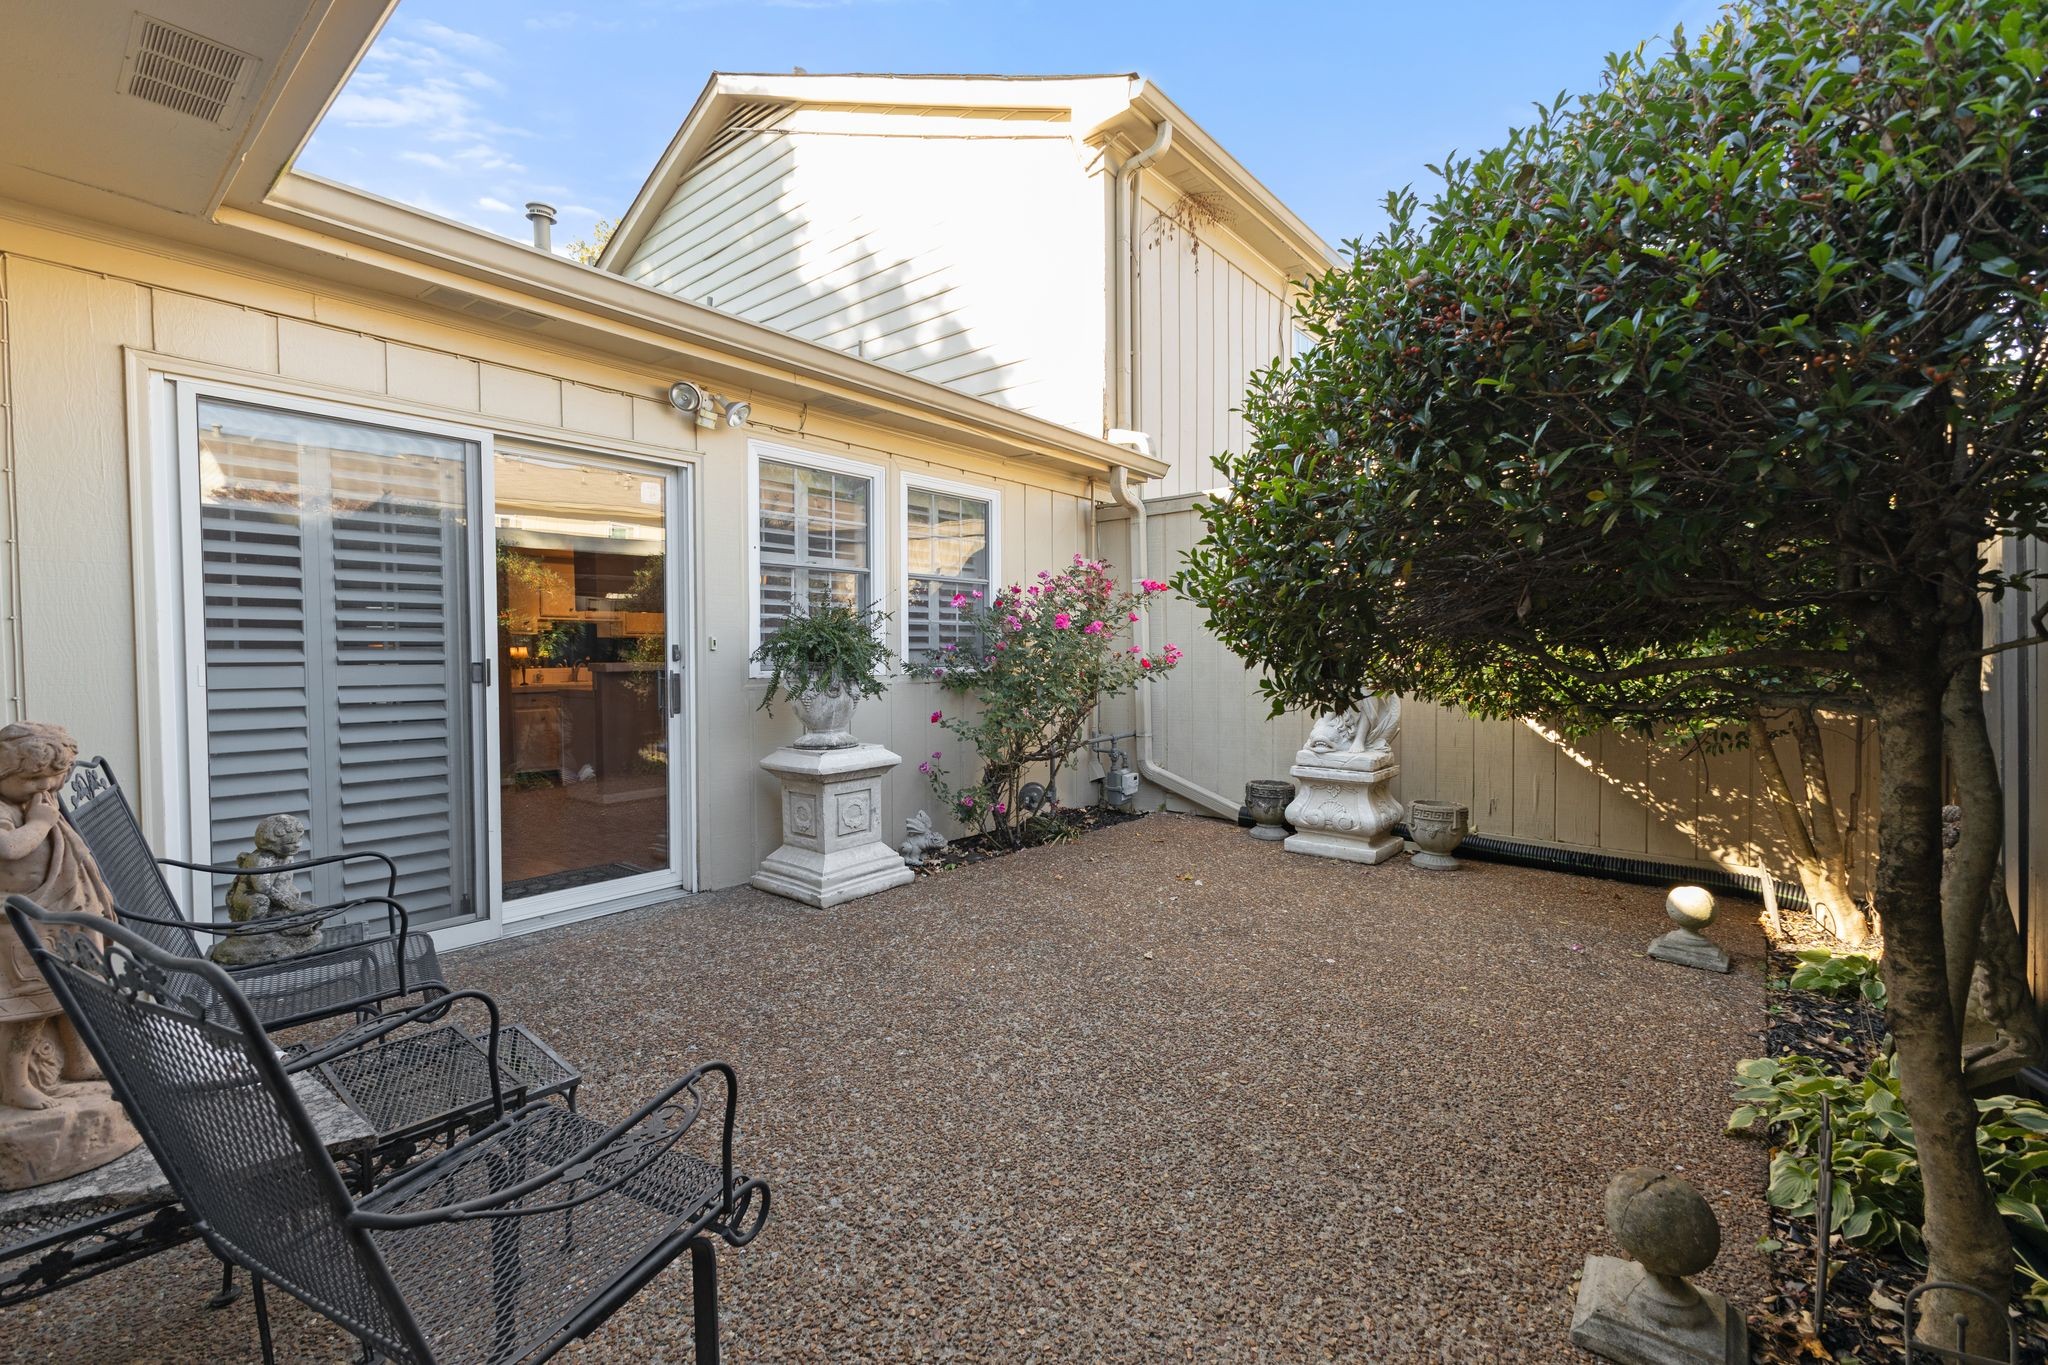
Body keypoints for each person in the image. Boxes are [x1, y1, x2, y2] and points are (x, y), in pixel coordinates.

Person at [0, 723, 118, 1110]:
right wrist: (39, 823)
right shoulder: (8, 809)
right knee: (31, 1004)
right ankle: (14, 1083)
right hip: (23, 918)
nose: (45, 785)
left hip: (70, 907)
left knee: (80, 985)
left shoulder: (37, 798)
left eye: (55, 776)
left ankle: (80, 1061)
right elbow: (8, 848)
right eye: (32, 778)